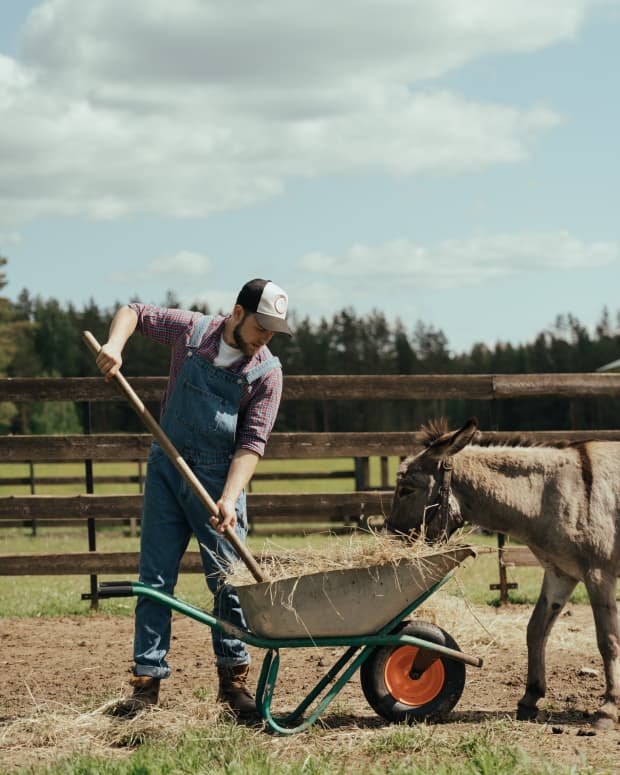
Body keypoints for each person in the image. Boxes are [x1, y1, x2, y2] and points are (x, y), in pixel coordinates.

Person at [96, 278, 292, 718]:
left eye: (273, 331)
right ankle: (146, 684)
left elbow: (251, 444)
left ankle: (233, 682)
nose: (265, 338)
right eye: (261, 326)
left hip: (220, 482)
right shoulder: (192, 333)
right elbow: (135, 312)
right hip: (167, 467)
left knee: (228, 584)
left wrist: (229, 499)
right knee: (154, 580)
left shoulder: (266, 373)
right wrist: (114, 345)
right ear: (238, 313)